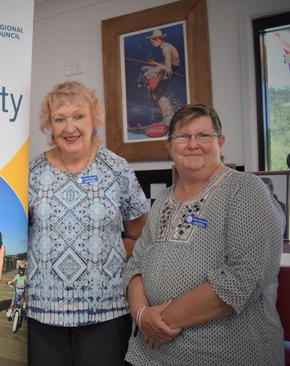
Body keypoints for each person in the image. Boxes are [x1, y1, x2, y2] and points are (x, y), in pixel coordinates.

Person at [124, 103, 285, 365]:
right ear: (169, 147)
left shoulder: (245, 190)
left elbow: (243, 278)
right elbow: (135, 265)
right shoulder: (162, 200)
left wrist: (159, 323)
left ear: (220, 143)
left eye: (203, 136)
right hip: (150, 355)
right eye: (183, 137)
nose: (193, 144)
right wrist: (142, 315)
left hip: (221, 356)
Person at [27, 81, 149, 365]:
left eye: (78, 116)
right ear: (49, 125)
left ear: (94, 119)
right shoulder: (32, 172)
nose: (70, 128)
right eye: (60, 119)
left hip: (106, 314)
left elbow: (139, 234)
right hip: (41, 314)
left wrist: (103, 264)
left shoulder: (116, 168)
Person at [139, 28, 180, 125]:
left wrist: (155, 70)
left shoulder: (166, 49)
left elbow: (168, 68)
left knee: (148, 75)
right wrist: (154, 63)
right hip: (167, 69)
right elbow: (165, 64)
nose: (152, 43)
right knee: (144, 68)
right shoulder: (164, 47)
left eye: (152, 41)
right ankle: (149, 87)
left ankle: (168, 116)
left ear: (157, 39)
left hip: (169, 71)